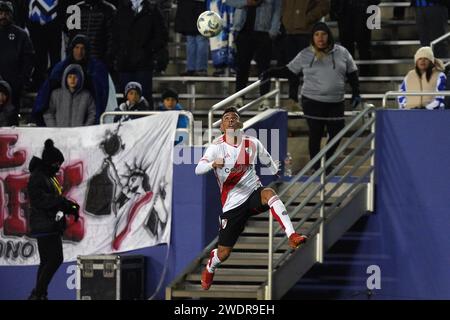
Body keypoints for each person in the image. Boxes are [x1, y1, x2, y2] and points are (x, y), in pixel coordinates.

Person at [195, 106, 308, 290]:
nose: (231, 120)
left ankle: (292, 235)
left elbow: (267, 159)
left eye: (234, 117)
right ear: (222, 127)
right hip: (232, 205)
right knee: (223, 254)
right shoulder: (216, 147)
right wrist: (213, 164)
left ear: (240, 123)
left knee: (269, 193)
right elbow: (197, 169)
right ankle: (211, 265)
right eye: (226, 118)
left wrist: (275, 170)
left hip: (253, 193)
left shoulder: (252, 142)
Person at [261, 22, 361, 172]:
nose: (320, 38)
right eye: (316, 35)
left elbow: (352, 73)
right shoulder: (306, 54)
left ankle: (326, 160)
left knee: (337, 131)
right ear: (312, 37)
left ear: (329, 36)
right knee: (316, 132)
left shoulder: (342, 52)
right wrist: (270, 72)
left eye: (324, 34)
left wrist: (356, 92)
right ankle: (317, 166)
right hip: (312, 101)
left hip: (336, 101)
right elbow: (289, 71)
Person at [27, 139, 80, 300]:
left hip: (49, 224)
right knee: (56, 258)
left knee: (46, 261)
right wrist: (63, 202)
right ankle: (38, 294)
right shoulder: (38, 177)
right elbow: (41, 200)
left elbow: (54, 199)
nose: (58, 167)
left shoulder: (48, 176)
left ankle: (40, 295)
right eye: (57, 164)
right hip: (44, 224)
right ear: (50, 162)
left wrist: (68, 207)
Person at [33, 35, 113, 125]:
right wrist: (54, 128)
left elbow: (99, 96)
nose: (79, 51)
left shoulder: (96, 68)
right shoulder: (61, 67)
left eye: (83, 48)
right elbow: (48, 91)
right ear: (72, 49)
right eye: (77, 47)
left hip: (84, 119)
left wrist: (86, 128)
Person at [113, 0, 168, 107]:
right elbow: (115, 36)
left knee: (144, 99)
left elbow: (161, 36)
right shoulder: (122, 8)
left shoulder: (152, 9)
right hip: (125, 64)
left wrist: (147, 50)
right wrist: (119, 54)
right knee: (125, 101)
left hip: (144, 64)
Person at [226, 0, 282, 101]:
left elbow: (277, 10)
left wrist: (272, 32)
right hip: (243, 31)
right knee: (242, 67)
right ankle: (239, 97)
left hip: (264, 33)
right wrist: (247, 2)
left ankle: (264, 99)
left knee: (264, 68)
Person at [281, 0, 329, 110]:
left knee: (310, 68)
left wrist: (306, 19)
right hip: (289, 32)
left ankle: (312, 101)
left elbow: (324, 5)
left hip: (307, 32)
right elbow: (283, 5)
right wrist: (285, 19)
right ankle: (292, 99)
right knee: (292, 69)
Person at [0, 1, 34, 124]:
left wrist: (22, 81)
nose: (3, 16)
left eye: (6, 13)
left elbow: (28, 59)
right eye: (0, 13)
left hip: (14, 87)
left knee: (11, 121)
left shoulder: (21, 35)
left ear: (12, 14)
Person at [65, 0, 117, 71]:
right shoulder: (77, 8)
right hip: (78, 62)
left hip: (98, 62)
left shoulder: (109, 9)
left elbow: (112, 39)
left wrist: (106, 62)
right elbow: (71, 38)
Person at [174, 0, 209, 76]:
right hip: (197, 6)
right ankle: (198, 68)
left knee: (194, 39)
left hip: (191, 7)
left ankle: (194, 68)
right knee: (195, 39)